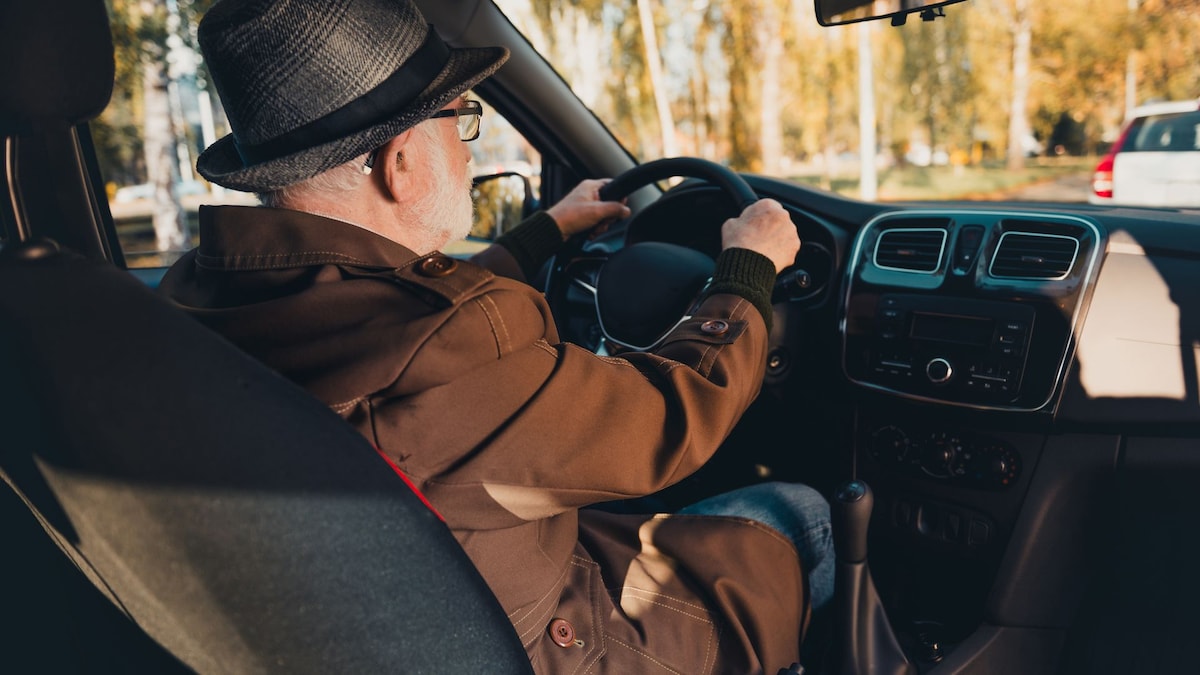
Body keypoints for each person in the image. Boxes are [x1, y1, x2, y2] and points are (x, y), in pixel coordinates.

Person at [160, 0, 834, 672]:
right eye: (461, 121)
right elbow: (675, 415)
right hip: (557, 640)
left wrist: (547, 231)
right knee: (800, 513)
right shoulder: (454, 346)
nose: (467, 150)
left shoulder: (204, 299)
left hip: (426, 615)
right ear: (400, 164)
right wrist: (749, 267)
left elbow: (401, 319)